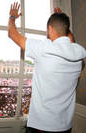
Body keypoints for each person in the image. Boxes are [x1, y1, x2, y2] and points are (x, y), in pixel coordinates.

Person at [8, 2, 86, 133]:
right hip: (65, 126)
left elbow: (12, 34)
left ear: (50, 29)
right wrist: (63, 25)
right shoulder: (79, 56)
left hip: (42, 125)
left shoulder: (44, 48)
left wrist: (12, 17)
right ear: (66, 31)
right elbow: (71, 42)